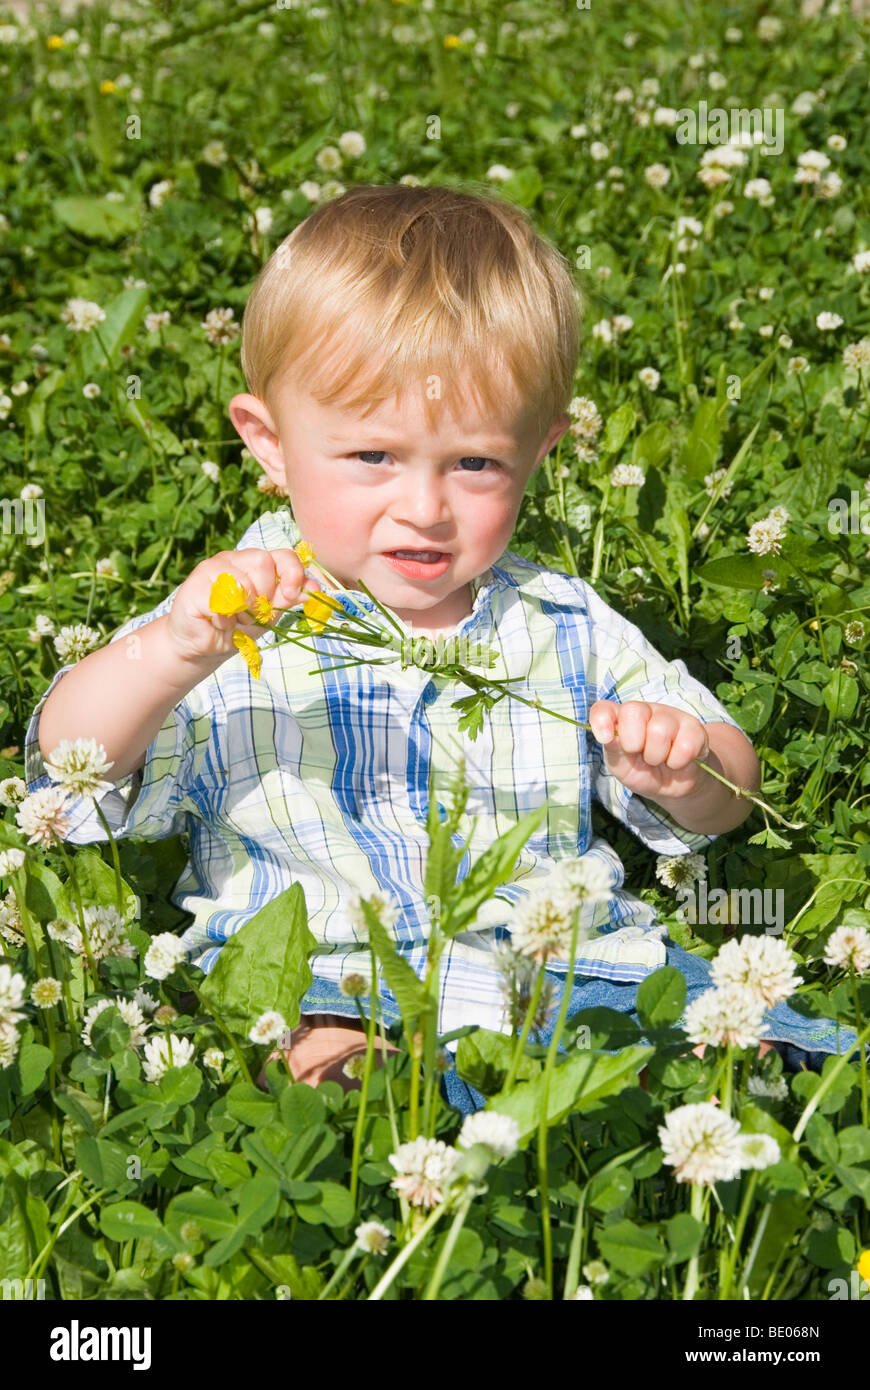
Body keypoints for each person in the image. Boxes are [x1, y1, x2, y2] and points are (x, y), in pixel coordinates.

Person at [23, 185, 856, 1116]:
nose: (423, 507)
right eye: (372, 457)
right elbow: (72, 759)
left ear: (538, 452)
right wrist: (173, 654)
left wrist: (685, 768)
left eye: (474, 464)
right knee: (323, 1070)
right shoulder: (233, 611)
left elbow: (729, 797)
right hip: (326, 975)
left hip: (558, 969)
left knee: (742, 1043)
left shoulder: (562, 619)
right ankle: (406, 1118)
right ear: (270, 443)